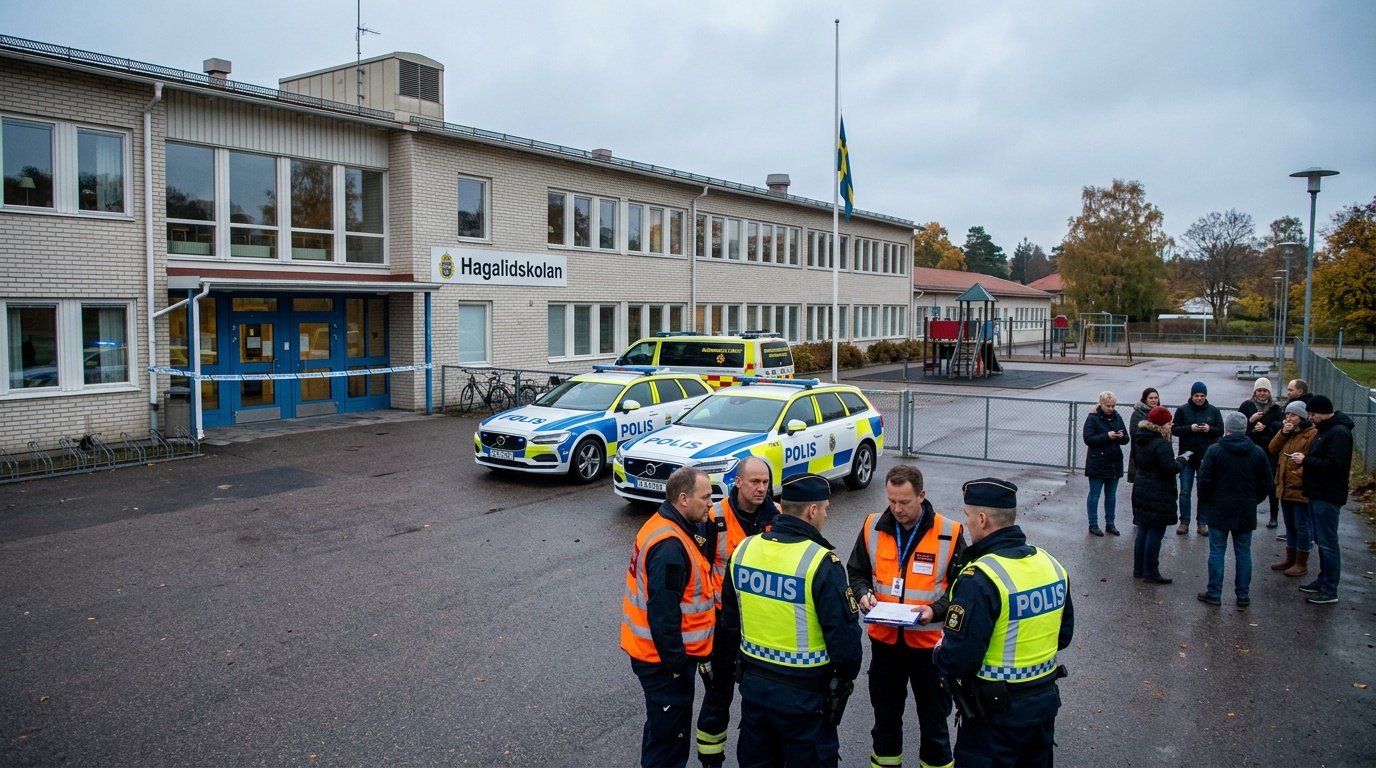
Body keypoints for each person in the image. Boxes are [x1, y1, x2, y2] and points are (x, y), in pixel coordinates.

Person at [721, 473, 863, 768]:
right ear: (812, 510)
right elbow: (845, 642)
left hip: (755, 690)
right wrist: (842, 678)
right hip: (805, 698)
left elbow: (730, 623)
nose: (824, 514)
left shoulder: (744, 550)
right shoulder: (821, 562)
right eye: (824, 508)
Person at [933, 478, 1075, 768]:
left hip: (994, 717)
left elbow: (959, 658)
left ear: (982, 519)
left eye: (968, 516)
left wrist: (939, 650)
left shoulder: (981, 577)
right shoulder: (1051, 564)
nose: (967, 523)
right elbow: (1063, 635)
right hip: (1042, 704)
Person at [847, 465, 967, 768]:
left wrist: (935, 610)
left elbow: (963, 588)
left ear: (922, 496)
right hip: (886, 645)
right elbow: (857, 571)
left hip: (930, 648)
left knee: (934, 726)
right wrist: (863, 593)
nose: (897, 509)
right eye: (891, 501)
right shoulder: (873, 526)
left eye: (904, 502)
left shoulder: (949, 533)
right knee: (885, 721)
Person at [621, 467, 717, 768]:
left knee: (661, 733)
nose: (711, 503)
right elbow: (663, 613)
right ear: (683, 498)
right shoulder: (670, 546)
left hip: (657, 658)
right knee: (669, 745)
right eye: (706, 497)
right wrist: (676, 665)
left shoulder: (664, 527)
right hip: (664, 663)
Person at [696, 456, 780, 767]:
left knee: (759, 700)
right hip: (723, 627)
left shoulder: (778, 517)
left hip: (762, 627)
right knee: (718, 699)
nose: (761, 488)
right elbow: (700, 575)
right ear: (738, 483)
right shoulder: (713, 517)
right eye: (755, 482)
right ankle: (710, 761)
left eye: (766, 483)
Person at [1195, 412, 1274, 609]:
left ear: (1226, 429)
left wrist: (1208, 502)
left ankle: (1214, 592)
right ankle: (1243, 594)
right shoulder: (1257, 452)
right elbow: (1266, 483)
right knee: (1243, 553)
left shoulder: (1214, 451)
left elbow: (1204, 481)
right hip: (1245, 509)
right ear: (1245, 429)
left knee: (1217, 552)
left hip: (1219, 507)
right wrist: (1253, 500)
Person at [1290, 395, 1353, 605]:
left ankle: (1329, 588)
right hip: (1317, 493)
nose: (1310, 418)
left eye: (1313, 414)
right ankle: (1323, 579)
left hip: (1328, 495)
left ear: (1325, 413)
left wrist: (1306, 460)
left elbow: (1336, 465)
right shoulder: (1326, 430)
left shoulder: (1338, 433)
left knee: (1328, 543)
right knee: (1321, 540)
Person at [1131, 406, 1185, 583]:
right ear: (1162, 424)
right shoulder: (1161, 443)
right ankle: (1151, 571)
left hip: (1142, 487)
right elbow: (1169, 468)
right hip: (1158, 490)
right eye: (1169, 422)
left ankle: (1139, 568)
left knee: (1144, 529)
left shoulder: (1141, 438)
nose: (1172, 425)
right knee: (1155, 531)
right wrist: (1182, 461)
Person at [1267, 400, 1317, 577]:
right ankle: (1290, 557)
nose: (1288, 417)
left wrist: (1298, 472)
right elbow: (1272, 448)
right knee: (1289, 524)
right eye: (1287, 414)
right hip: (1284, 485)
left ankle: (1301, 562)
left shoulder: (1311, 434)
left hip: (1300, 487)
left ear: (1302, 417)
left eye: (1293, 415)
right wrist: (1283, 432)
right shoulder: (1289, 433)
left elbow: (1313, 459)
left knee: (1301, 525)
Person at [1172, 381, 1223, 536]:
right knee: (1185, 491)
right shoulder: (1182, 410)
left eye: (1202, 396)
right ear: (1191, 395)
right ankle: (1184, 522)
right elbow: (1174, 429)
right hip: (1187, 458)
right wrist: (1190, 428)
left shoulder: (1213, 411)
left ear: (1205, 396)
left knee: (1204, 491)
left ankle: (1202, 523)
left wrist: (1208, 429)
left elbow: (1220, 430)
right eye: (1196, 395)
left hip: (1206, 458)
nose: (1199, 398)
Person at [1082, 391, 1130, 536]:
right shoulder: (1093, 418)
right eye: (1108, 406)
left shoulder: (1117, 417)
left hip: (1114, 462)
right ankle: (1093, 524)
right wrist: (1107, 436)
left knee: (1111, 495)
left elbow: (1126, 438)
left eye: (1113, 406)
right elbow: (1088, 439)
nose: (1111, 408)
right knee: (1095, 494)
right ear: (1101, 404)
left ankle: (1110, 523)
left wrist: (1121, 437)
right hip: (1097, 462)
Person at [1238, 377, 1283, 529]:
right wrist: (1250, 421)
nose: (1262, 393)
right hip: (1250, 450)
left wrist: (1266, 428)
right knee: (1249, 482)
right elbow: (1237, 426)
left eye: (1265, 391)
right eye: (1259, 390)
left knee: (1271, 484)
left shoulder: (1276, 408)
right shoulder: (1247, 406)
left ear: (1269, 393)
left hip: (1270, 451)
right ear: (1254, 392)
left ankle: (1273, 516)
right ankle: (1247, 513)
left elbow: (1280, 428)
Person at [1126, 387, 1160, 484]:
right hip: (1141, 454)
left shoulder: (1161, 413)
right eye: (1151, 398)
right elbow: (1135, 434)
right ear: (1145, 399)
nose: (1154, 400)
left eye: (1156, 398)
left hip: (1158, 453)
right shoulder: (1138, 414)